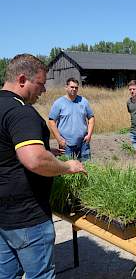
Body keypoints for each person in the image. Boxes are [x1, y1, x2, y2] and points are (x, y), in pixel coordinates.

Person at [0, 54, 86, 279]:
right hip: (27, 218)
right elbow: (34, 159)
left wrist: (48, 154)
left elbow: (9, 152)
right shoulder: (20, 111)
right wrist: (67, 166)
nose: (44, 90)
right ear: (22, 79)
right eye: (41, 83)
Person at [48, 78, 95, 161]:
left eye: (76, 87)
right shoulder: (59, 103)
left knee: (86, 167)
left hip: (83, 142)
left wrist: (89, 135)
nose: (74, 89)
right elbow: (51, 121)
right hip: (66, 144)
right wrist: (59, 139)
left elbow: (91, 117)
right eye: (72, 87)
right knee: (67, 169)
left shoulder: (83, 101)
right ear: (66, 87)